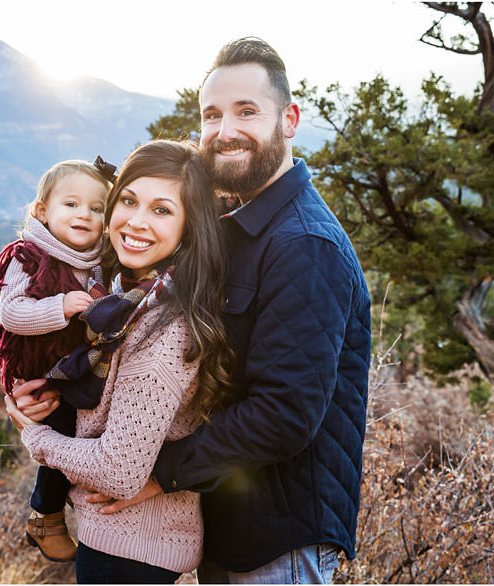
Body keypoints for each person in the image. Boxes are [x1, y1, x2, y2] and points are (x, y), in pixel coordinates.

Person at [87, 38, 372, 584]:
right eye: (211, 115)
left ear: (288, 120)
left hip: (278, 545)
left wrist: (158, 472)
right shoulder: (229, 231)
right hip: (228, 532)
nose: (225, 130)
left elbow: (284, 415)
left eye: (247, 111)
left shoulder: (304, 245)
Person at [6, 140, 232, 584]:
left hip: (132, 549)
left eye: (162, 210)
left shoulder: (164, 326)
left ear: (191, 225)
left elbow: (118, 471)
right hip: (118, 535)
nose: (136, 221)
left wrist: (35, 436)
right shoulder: (122, 297)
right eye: (128, 201)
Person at [0, 158, 113, 562]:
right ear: (42, 210)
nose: (84, 215)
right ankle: (46, 514)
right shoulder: (29, 256)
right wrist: (60, 306)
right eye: (71, 204)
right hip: (43, 369)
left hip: (78, 366)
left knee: (86, 429)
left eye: (96, 208)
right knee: (60, 433)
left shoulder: (100, 260)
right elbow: (11, 312)